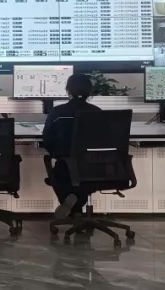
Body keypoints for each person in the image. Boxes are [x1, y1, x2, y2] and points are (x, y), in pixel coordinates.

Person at [42, 73, 102, 219]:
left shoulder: (57, 113)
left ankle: (72, 205)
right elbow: (104, 140)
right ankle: (77, 207)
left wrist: (57, 153)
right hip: (95, 168)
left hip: (66, 167)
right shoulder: (97, 112)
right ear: (89, 91)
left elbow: (47, 140)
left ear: (68, 90)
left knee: (61, 175)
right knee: (82, 177)